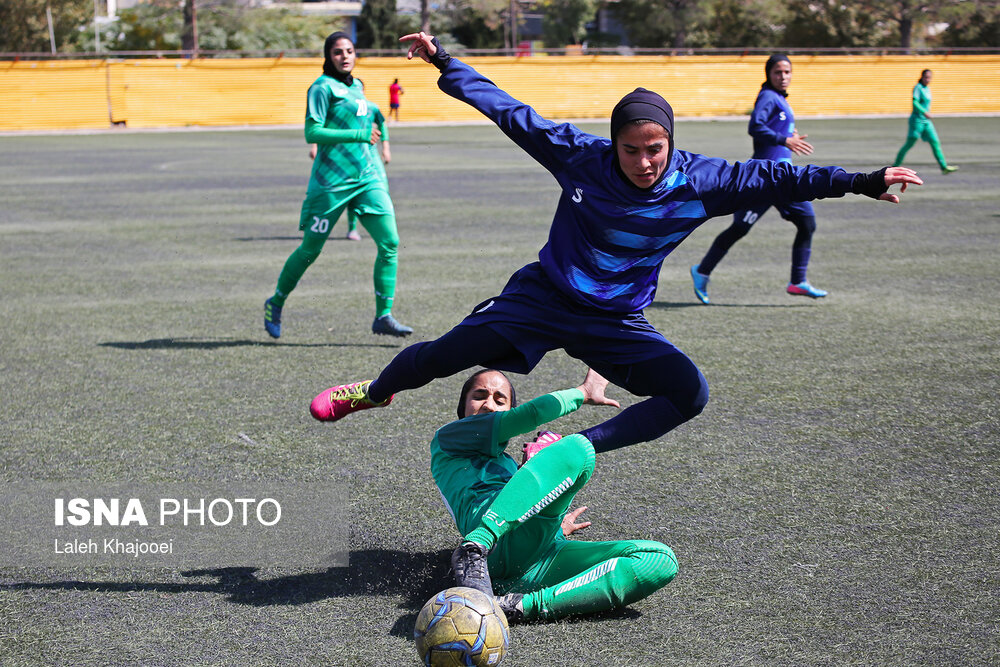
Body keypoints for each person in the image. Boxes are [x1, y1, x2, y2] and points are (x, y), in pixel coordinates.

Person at [308, 32, 922, 457]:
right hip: (544, 297)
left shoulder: (701, 181)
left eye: (655, 148)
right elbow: (510, 111)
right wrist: (445, 61)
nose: (644, 161)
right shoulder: (582, 158)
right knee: (443, 354)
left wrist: (864, 182)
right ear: (614, 143)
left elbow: (781, 175)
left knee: (689, 393)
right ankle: (374, 391)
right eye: (631, 149)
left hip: (615, 320)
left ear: (670, 142)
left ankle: (569, 445)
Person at [434, 367, 679, 622]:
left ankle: (519, 606)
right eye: (479, 395)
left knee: (659, 559)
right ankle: (476, 544)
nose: (488, 404)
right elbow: (531, 414)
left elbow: (524, 501)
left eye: (499, 400)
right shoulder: (446, 438)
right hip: (494, 547)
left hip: (537, 560)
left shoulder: (506, 462)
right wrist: (583, 392)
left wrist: (553, 527)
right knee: (578, 446)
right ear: (462, 407)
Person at [264, 32, 412, 339]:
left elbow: (371, 122)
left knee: (390, 243)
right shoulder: (321, 87)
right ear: (328, 56)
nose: (344, 56)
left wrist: (376, 143)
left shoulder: (358, 87)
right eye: (337, 52)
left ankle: (383, 315)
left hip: (367, 178)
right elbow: (312, 131)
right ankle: (275, 301)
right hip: (331, 182)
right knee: (309, 251)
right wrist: (358, 136)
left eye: (349, 50)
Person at [690, 54, 827, 304]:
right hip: (767, 178)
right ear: (769, 74)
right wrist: (784, 139)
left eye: (787, 72)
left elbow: (772, 129)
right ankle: (702, 271)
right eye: (778, 72)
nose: (783, 76)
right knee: (745, 227)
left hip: (778, 177)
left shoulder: (780, 100)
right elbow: (755, 126)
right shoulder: (767, 97)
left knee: (803, 223)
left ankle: (797, 281)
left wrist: (788, 135)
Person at [308, 101, 392, 242]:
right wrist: (315, 146)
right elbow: (323, 124)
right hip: (353, 156)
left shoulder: (372, 107)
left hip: (372, 154)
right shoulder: (343, 108)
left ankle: (384, 229)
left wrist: (386, 147)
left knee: (383, 189)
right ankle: (352, 228)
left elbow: (382, 124)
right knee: (353, 192)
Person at [894, 69, 958, 175]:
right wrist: (924, 112)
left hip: (926, 122)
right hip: (917, 120)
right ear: (922, 77)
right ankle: (895, 166)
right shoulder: (918, 87)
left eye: (929, 77)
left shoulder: (927, 88)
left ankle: (944, 167)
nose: (928, 79)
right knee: (910, 143)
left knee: (935, 142)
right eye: (926, 77)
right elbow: (915, 102)